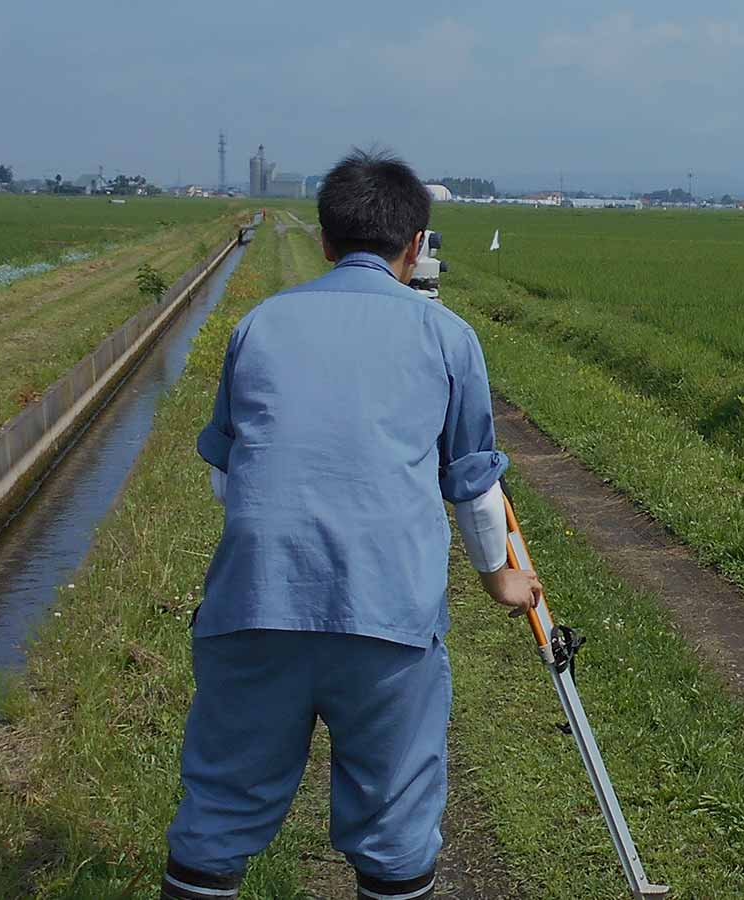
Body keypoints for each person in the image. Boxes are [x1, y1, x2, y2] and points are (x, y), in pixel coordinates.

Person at [160, 150, 541, 900]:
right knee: (394, 825)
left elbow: (224, 476)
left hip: (254, 608)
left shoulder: (259, 326)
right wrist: (501, 579)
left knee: (220, 811)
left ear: (326, 243)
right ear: (414, 246)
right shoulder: (448, 338)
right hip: (387, 620)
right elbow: (472, 488)